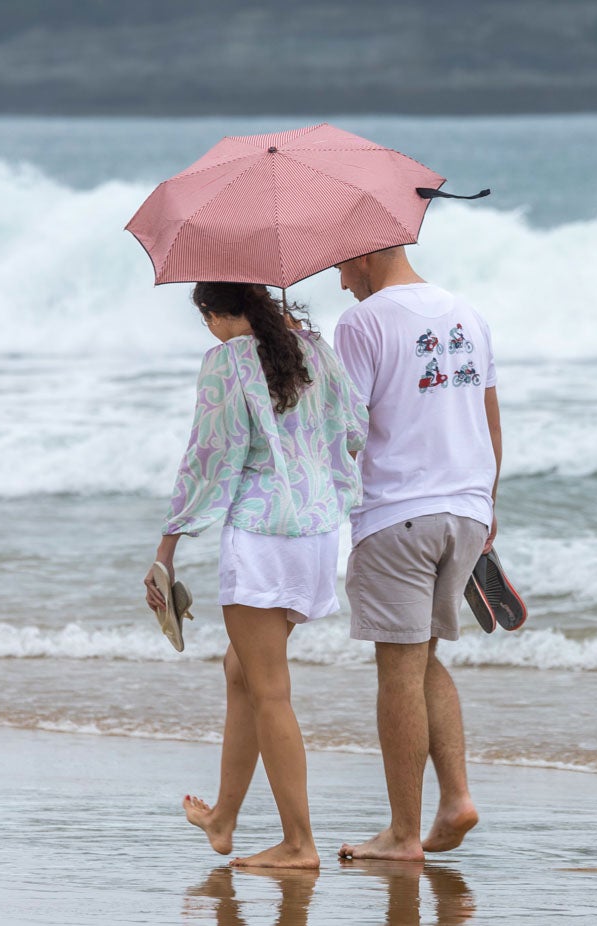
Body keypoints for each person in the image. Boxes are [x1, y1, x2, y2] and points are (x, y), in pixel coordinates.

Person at [144, 282, 365, 869]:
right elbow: (354, 430)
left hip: (263, 535)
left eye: (208, 319)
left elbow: (209, 457)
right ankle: (223, 818)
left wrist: (167, 548)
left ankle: (299, 845)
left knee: (271, 692)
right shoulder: (313, 349)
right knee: (240, 669)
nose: (210, 331)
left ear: (220, 314)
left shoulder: (227, 360)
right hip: (318, 533)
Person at [331, 246, 501, 862]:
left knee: (397, 671)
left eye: (343, 266)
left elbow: (345, 430)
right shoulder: (467, 313)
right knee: (423, 657)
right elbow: (488, 416)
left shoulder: (364, 321)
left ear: (369, 253)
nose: (341, 280)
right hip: (465, 510)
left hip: (398, 513)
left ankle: (402, 836)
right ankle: (455, 800)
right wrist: (488, 505)